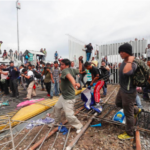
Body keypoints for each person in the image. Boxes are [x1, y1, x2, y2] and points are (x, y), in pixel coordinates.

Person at [50, 59, 83, 133]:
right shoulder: (72, 69)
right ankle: (57, 122)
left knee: (69, 115)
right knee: (57, 107)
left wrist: (74, 83)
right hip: (63, 96)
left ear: (66, 65)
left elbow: (69, 77)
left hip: (68, 98)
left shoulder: (65, 70)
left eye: (62, 64)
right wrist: (80, 61)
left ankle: (79, 126)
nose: (60, 66)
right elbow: (80, 70)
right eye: (60, 64)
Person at [115, 43, 141, 140]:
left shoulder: (132, 63)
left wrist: (129, 61)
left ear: (128, 52)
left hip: (129, 92)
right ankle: (135, 109)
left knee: (128, 113)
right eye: (120, 51)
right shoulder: (124, 62)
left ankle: (129, 133)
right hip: (122, 89)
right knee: (118, 103)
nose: (120, 53)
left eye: (123, 51)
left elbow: (127, 72)